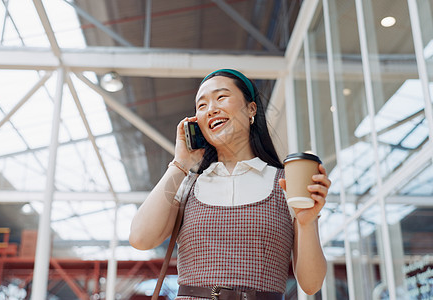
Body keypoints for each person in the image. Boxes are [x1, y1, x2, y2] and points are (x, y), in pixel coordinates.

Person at [129, 69, 331, 299]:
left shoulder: (286, 182)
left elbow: (311, 284)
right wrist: (180, 163)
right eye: (201, 105)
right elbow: (140, 238)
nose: (211, 109)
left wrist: (306, 222)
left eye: (221, 97)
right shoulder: (187, 185)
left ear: (251, 109)